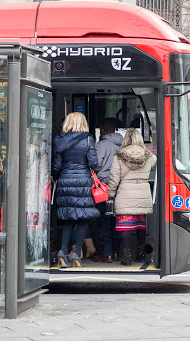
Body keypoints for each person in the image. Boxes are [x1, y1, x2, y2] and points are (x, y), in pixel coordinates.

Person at [52, 112, 100, 268]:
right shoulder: (88, 139)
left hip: (65, 181)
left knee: (68, 219)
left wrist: (55, 176)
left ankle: (62, 253)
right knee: (82, 219)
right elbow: (94, 163)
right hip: (83, 182)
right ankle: (77, 255)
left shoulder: (60, 141)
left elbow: (57, 166)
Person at [108, 129, 157, 265]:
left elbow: (114, 178)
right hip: (143, 194)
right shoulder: (148, 156)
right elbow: (155, 165)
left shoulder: (119, 156)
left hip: (125, 194)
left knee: (125, 226)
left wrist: (110, 194)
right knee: (140, 225)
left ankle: (127, 256)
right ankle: (140, 254)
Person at [92, 118, 123, 263]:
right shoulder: (122, 144)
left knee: (104, 221)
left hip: (104, 186)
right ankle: (116, 252)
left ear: (104, 130)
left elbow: (96, 165)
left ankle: (107, 253)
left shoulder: (102, 144)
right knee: (115, 221)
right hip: (118, 186)